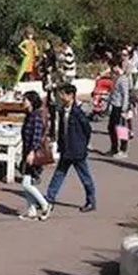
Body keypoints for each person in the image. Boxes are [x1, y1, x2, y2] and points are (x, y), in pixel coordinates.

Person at [44, 84, 96, 214]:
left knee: (85, 177)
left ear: (70, 95)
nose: (60, 97)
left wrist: (83, 145)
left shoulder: (78, 112)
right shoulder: (62, 110)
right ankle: (49, 198)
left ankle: (91, 201)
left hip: (77, 150)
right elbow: (61, 129)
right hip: (66, 149)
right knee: (58, 175)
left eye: (63, 94)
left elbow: (87, 129)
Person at [19, 90, 52, 220]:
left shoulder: (36, 116)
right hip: (26, 151)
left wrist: (32, 152)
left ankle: (44, 204)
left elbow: (37, 136)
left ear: (31, 101)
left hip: (32, 153)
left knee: (26, 184)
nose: (23, 102)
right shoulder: (29, 115)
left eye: (25, 100)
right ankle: (31, 210)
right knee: (27, 182)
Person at [105, 63, 131, 157]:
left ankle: (123, 150)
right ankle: (114, 148)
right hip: (114, 106)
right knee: (111, 127)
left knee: (121, 129)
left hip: (120, 107)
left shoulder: (123, 79)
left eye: (114, 67)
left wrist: (124, 109)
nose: (113, 69)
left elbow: (125, 95)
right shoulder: (115, 78)